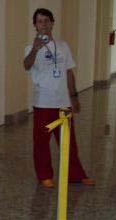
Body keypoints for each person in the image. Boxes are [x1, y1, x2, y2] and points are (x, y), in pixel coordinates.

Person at [23, 8, 95, 189]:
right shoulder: (30, 48)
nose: (44, 24)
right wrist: (34, 49)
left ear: (53, 23)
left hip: (63, 102)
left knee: (69, 142)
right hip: (43, 103)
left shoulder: (63, 46)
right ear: (35, 26)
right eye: (39, 21)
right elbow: (26, 65)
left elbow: (69, 72)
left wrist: (74, 97)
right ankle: (45, 176)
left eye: (47, 20)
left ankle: (76, 175)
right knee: (41, 143)